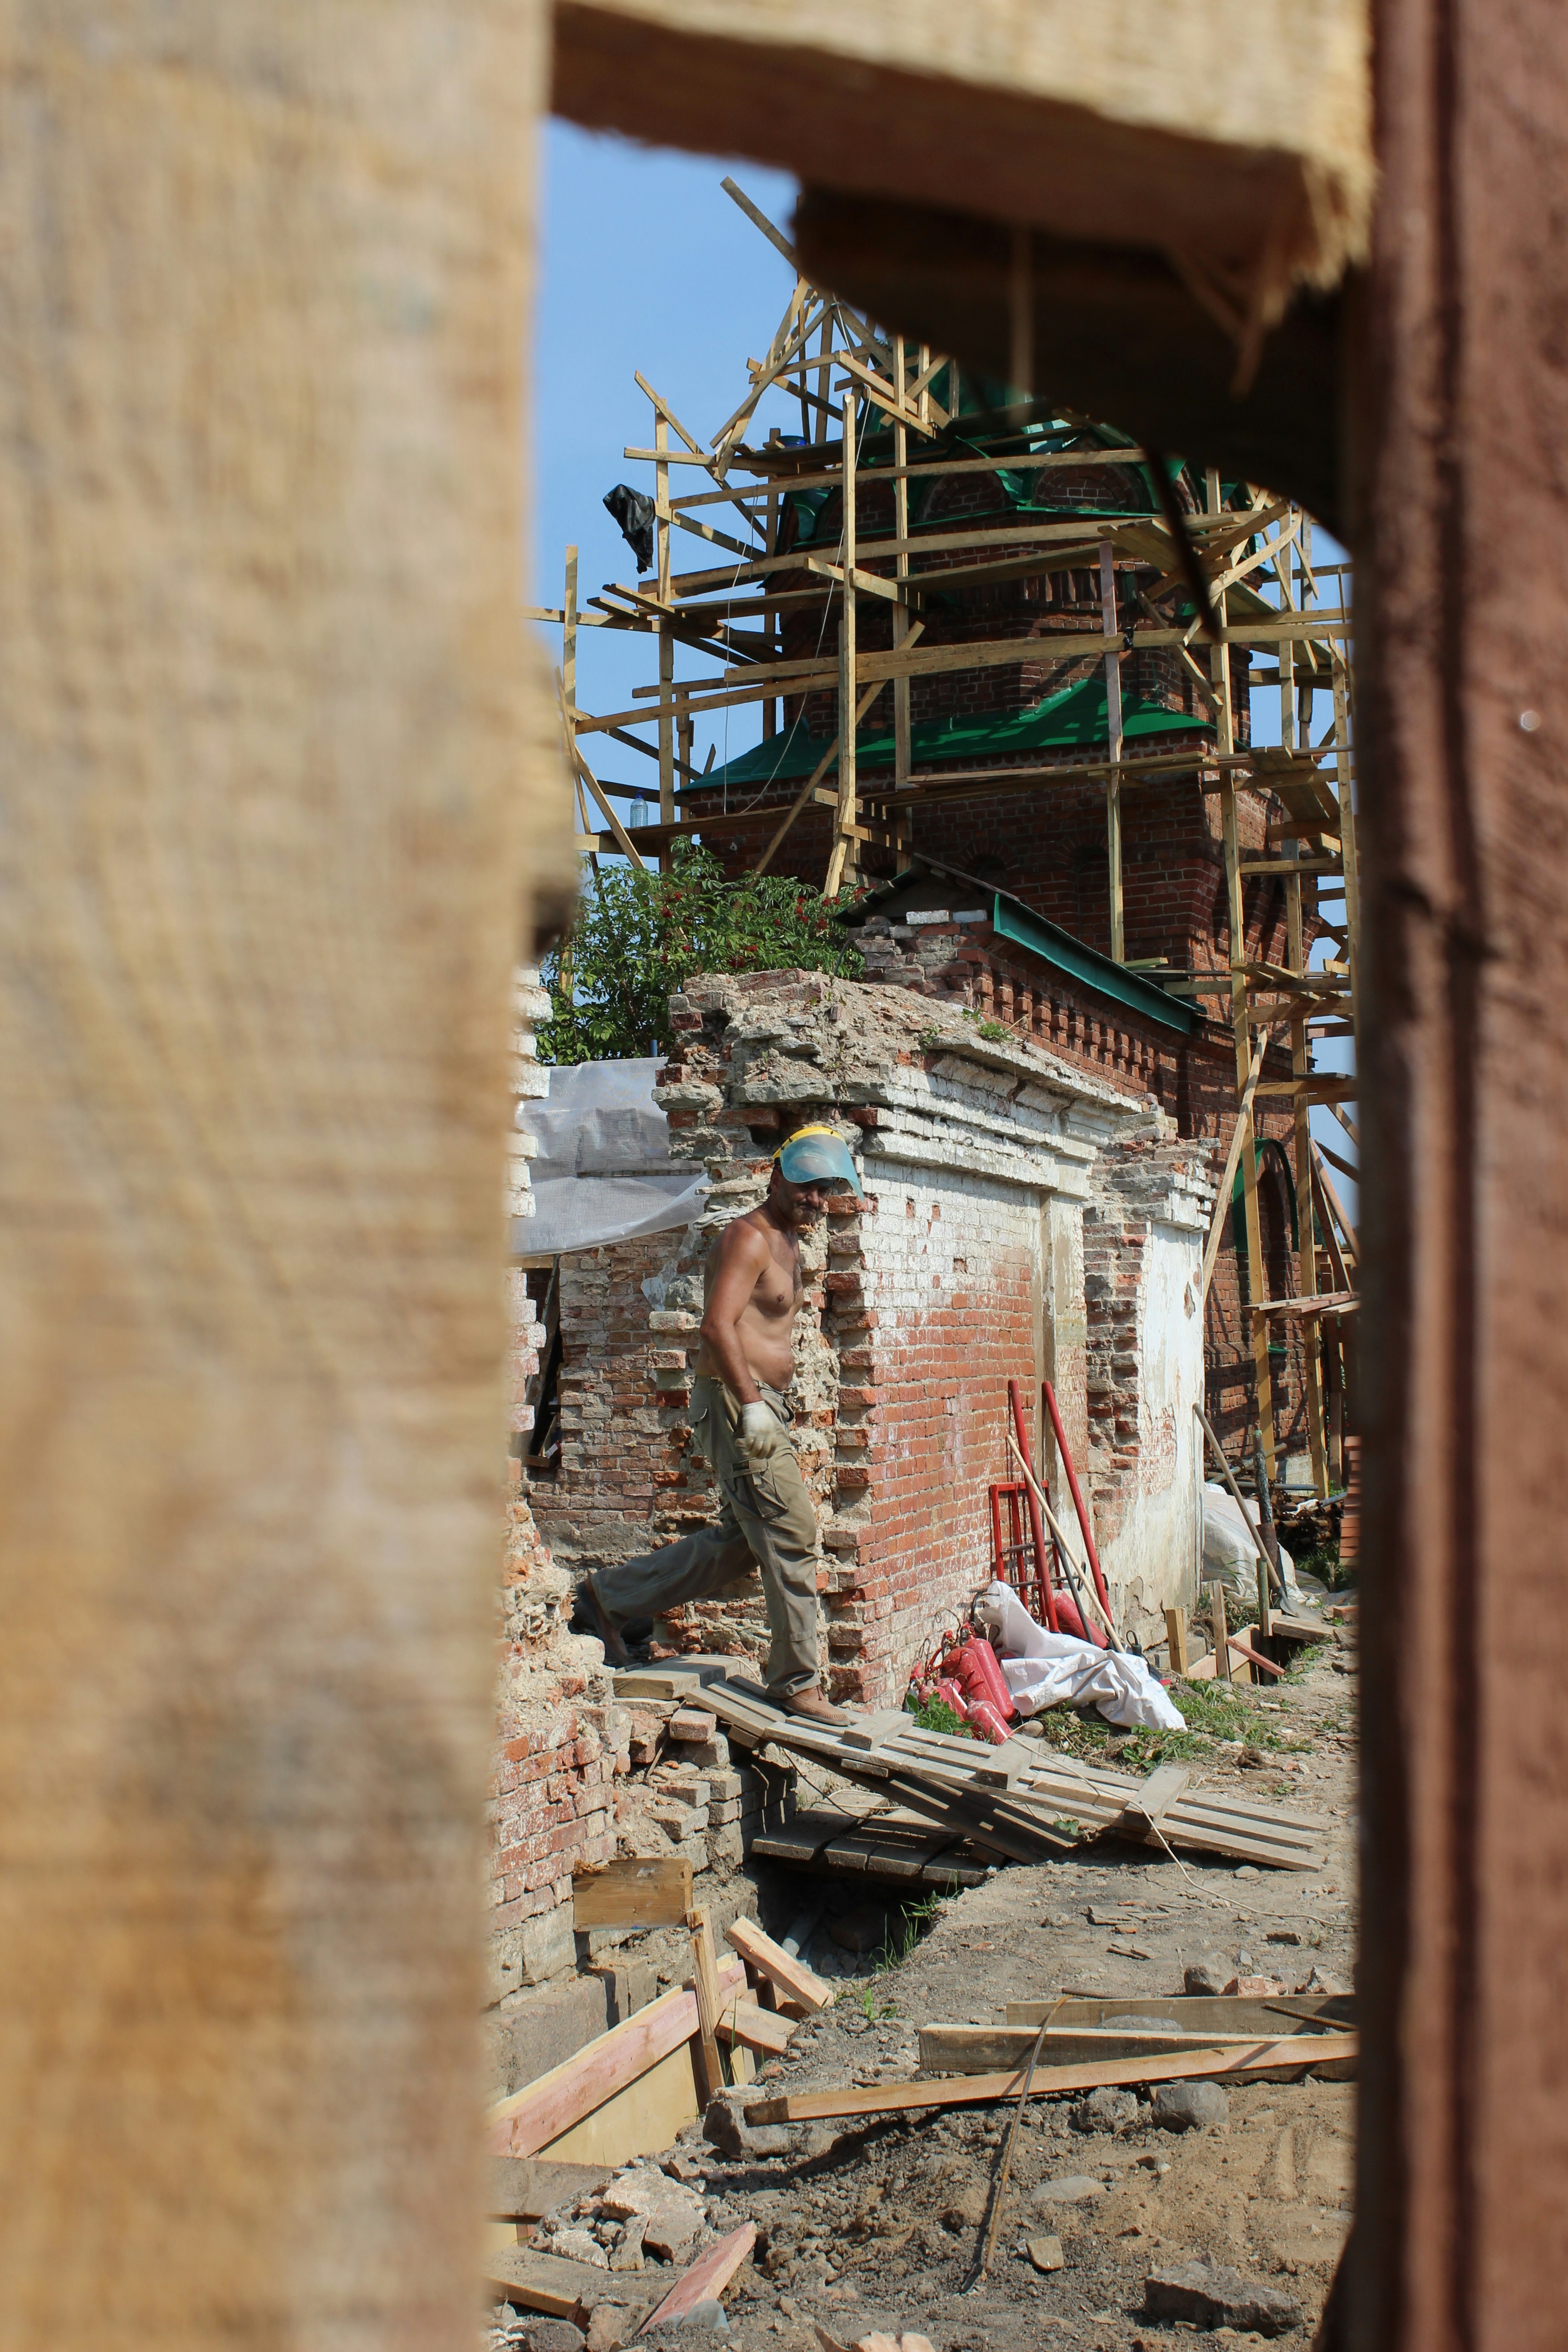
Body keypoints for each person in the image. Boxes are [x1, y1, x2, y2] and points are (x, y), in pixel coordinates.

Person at [578, 1125, 864, 1724]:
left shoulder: (791, 1240)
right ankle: (795, 1684)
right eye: (808, 1186)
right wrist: (754, 1404)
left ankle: (610, 1598)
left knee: (741, 1545)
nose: (816, 1198)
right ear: (777, 1176)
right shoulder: (749, 1238)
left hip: (761, 1404)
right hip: (740, 1404)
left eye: (826, 1190)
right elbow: (716, 1326)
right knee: (793, 1532)